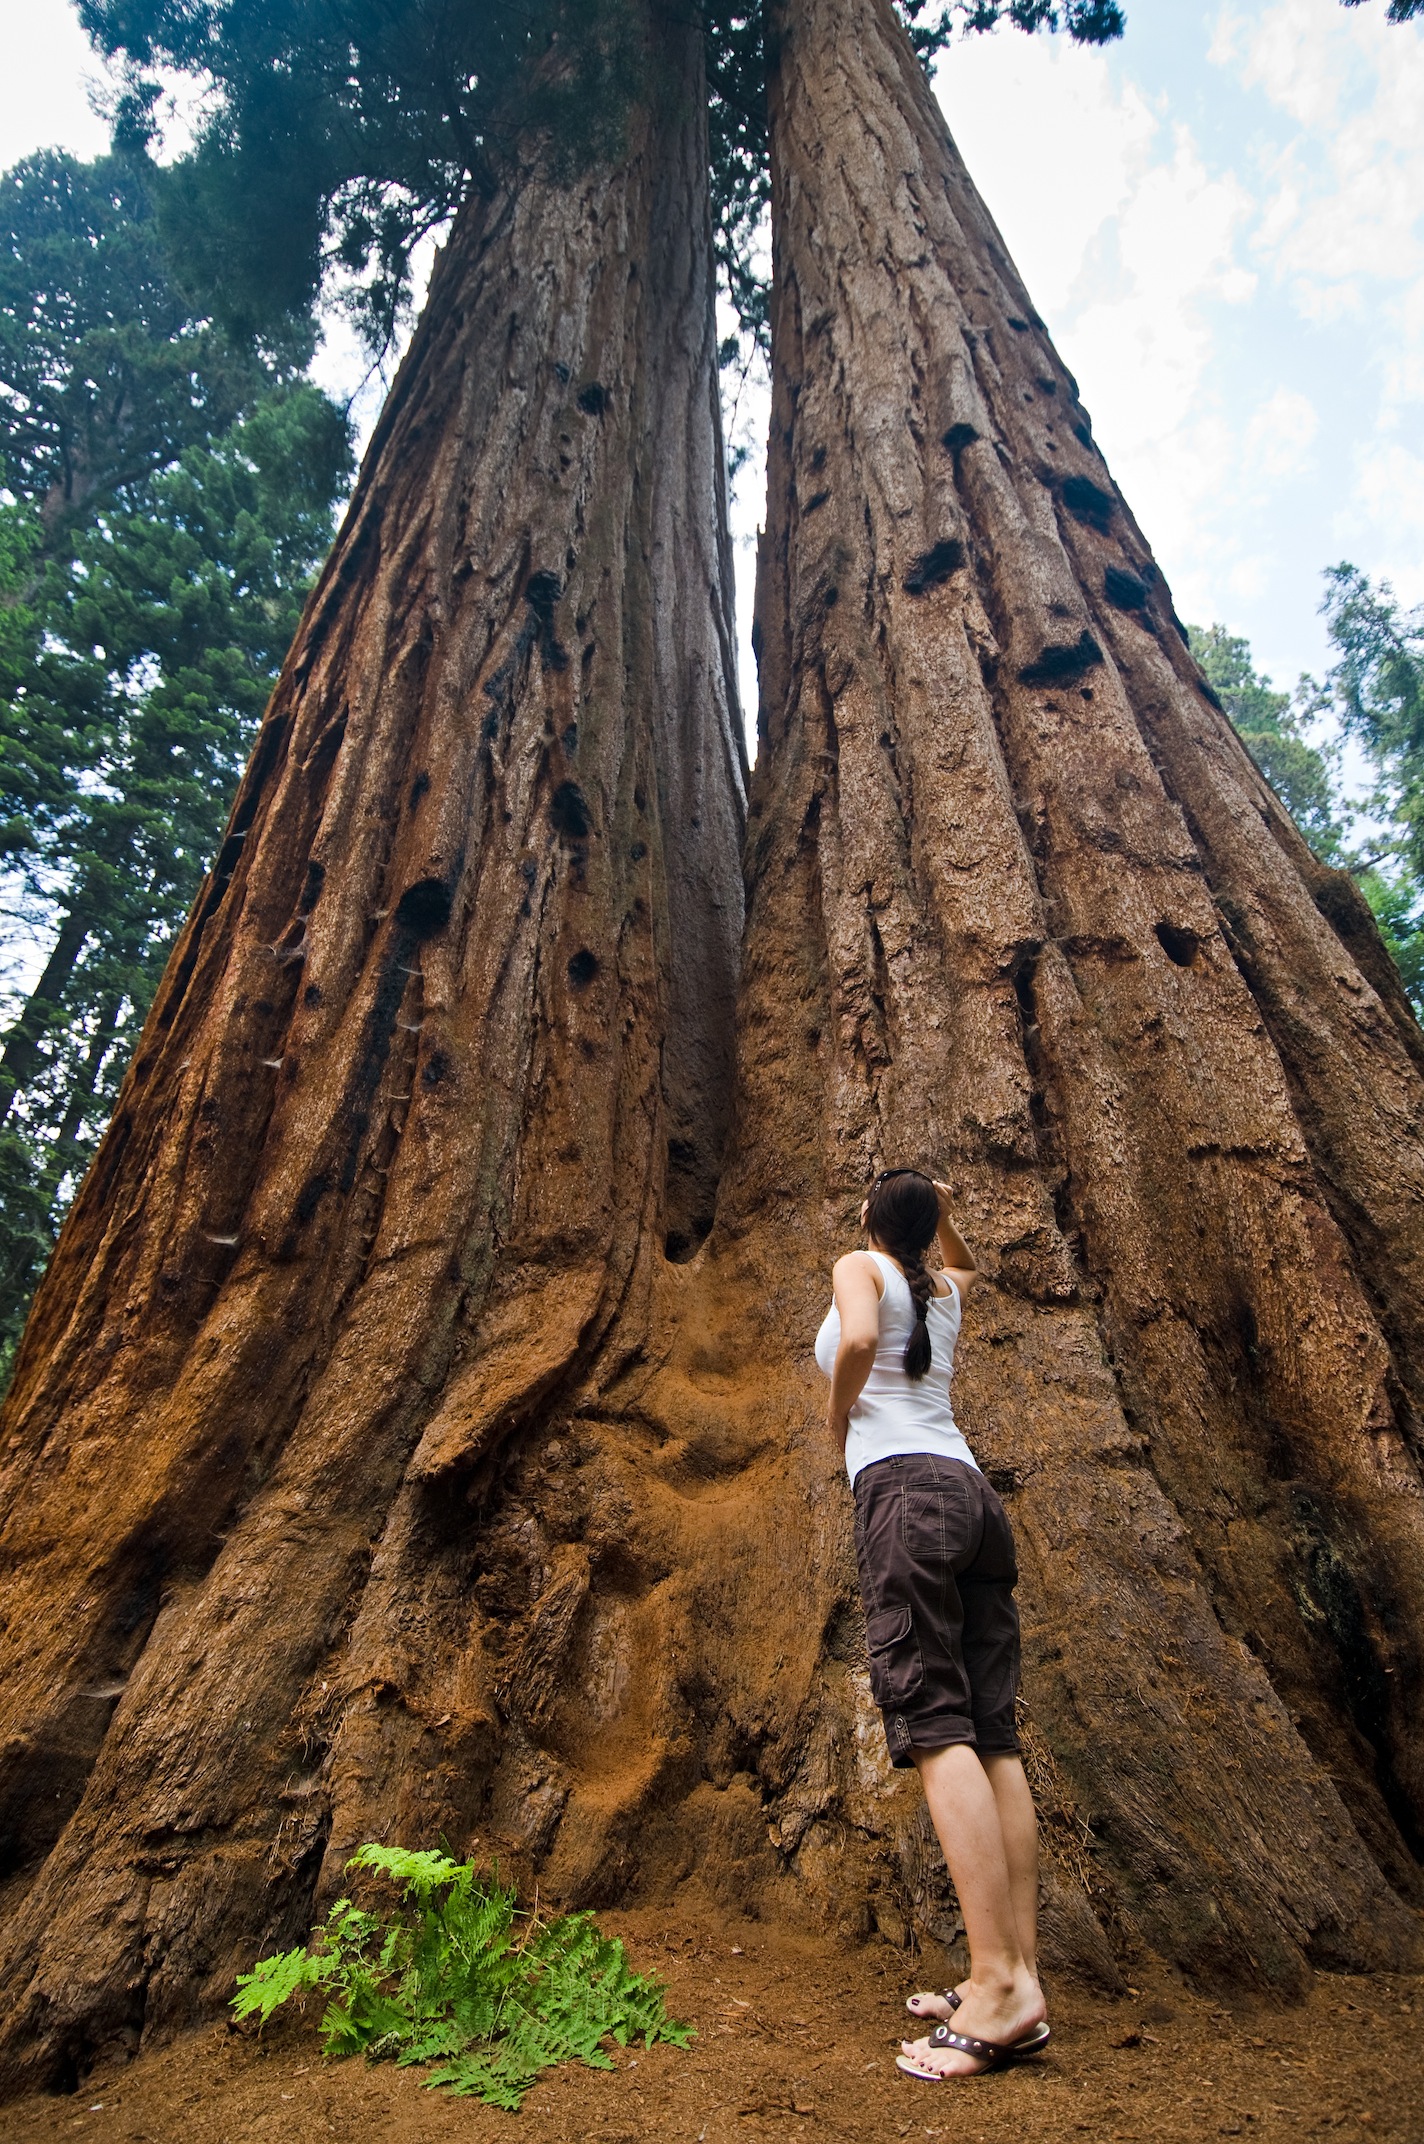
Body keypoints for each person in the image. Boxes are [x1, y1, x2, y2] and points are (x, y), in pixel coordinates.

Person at [814, 1167, 1048, 2081]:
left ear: (870, 1220)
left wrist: (838, 1416)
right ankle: (1018, 1976)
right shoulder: (944, 1286)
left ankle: (996, 1986)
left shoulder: (861, 1267)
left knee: (935, 1723)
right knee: (993, 1734)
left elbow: (861, 1338)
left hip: (904, 1493)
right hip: (972, 1497)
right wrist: (939, 1216)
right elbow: (959, 1260)